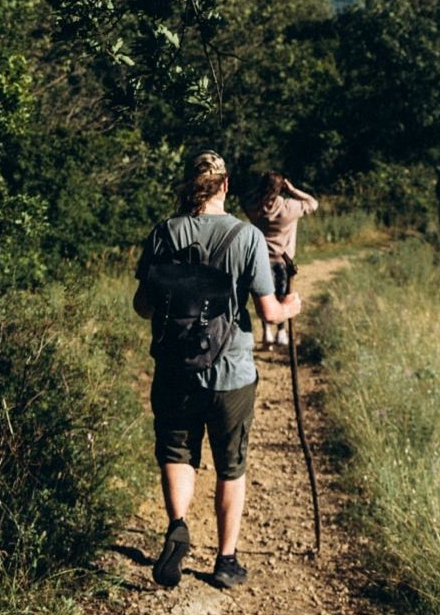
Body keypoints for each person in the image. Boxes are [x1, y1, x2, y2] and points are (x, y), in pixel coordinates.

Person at [133, 150, 302, 590]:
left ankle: (178, 525)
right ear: (225, 186)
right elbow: (268, 312)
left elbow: (143, 305)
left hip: (174, 367)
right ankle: (226, 560)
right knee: (231, 465)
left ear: (189, 185)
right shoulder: (246, 237)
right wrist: (291, 306)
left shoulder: (163, 234)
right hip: (230, 371)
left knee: (177, 452)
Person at [243, 172, 318, 351]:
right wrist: (291, 189)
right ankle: (281, 332)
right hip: (284, 260)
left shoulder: (255, 207)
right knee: (283, 296)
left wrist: (260, 189)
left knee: (265, 296)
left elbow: (244, 199)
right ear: (280, 189)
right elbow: (313, 203)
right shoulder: (288, 207)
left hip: (261, 259)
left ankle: (266, 331)